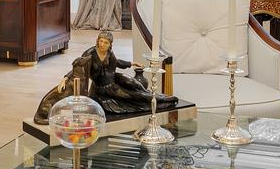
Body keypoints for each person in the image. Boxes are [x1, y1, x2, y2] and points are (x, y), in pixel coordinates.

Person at [34, 30, 179, 123]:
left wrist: (130, 63)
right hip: (104, 90)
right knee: (131, 97)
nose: (102, 44)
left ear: (110, 44)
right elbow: (79, 66)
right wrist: (66, 77)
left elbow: (117, 63)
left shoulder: (109, 54)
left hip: (114, 80)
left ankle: (161, 98)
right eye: (100, 41)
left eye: (105, 42)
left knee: (135, 87)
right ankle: (162, 101)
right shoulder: (90, 53)